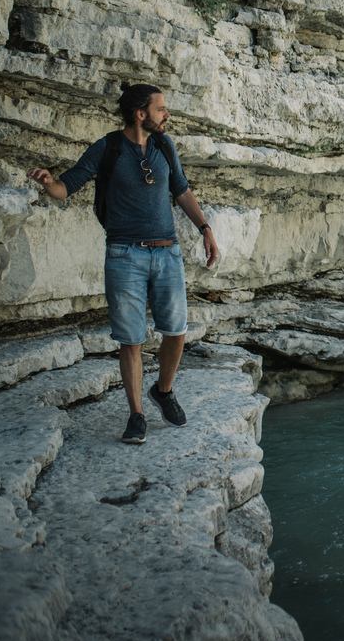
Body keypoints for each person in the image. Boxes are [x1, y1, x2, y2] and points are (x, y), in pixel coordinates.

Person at [28, 83, 219, 444]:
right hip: (124, 254)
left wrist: (205, 229)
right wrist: (48, 183)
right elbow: (67, 186)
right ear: (140, 113)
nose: (167, 115)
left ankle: (163, 391)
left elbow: (181, 190)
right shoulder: (108, 148)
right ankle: (136, 416)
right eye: (161, 109)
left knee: (176, 331)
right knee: (130, 339)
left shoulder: (165, 146)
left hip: (167, 253)